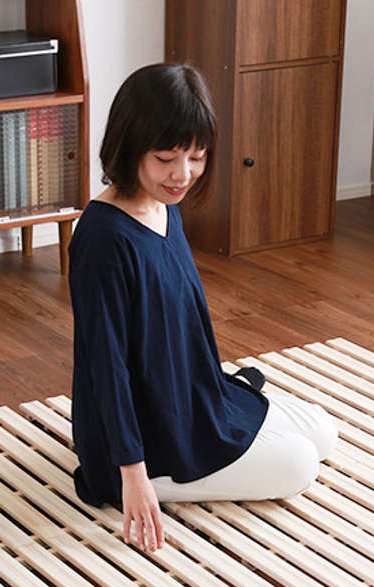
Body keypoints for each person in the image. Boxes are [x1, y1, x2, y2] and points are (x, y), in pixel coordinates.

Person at [68, 62, 336, 552]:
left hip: (190, 400)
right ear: (129, 147)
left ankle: (218, 437)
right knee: (299, 463)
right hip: (144, 440)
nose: (183, 175)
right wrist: (132, 475)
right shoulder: (103, 239)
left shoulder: (164, 208)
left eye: (196, 156)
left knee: (323, 433)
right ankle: (150, 476)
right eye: (165, 158)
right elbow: (107, 367)